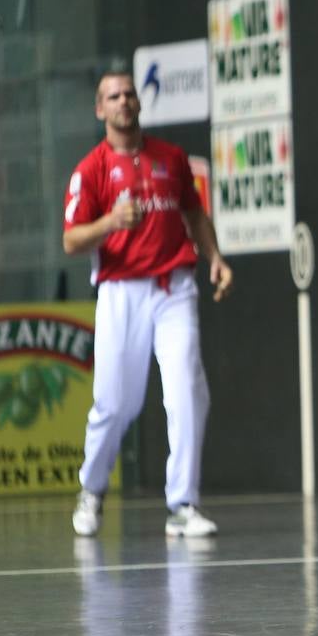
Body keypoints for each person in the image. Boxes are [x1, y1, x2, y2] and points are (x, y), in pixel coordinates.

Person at [62, 69, 234, 538]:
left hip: (174, 289)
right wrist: (111, 222)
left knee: (186, 392)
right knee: (115, 404)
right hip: (121, 293)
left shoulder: (171, 158)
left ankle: (183, 505)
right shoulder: (90, 170)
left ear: (139, 103)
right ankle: (91, 490)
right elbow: (72, 240)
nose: (123, 101)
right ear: (101, 109)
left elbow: (194, 213)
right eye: (113, 96)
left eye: (129, 94)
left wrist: (214, 256)